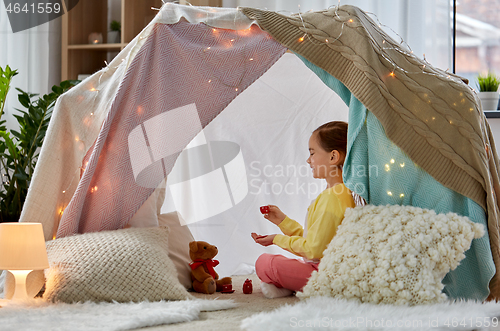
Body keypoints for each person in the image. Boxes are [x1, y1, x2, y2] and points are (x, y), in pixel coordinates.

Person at [251, 121, 356, 298]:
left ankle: (291, 285)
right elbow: (316, 241)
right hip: (326, 268)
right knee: (278, 263)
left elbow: (314, 250)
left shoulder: (333, 197)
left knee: (265, 263)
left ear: (333, 157)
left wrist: (277, 239)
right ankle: (289, 286)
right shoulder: (340, 193)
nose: (309, 160)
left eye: (313, 153)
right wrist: (282, 222)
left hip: (326, 274)